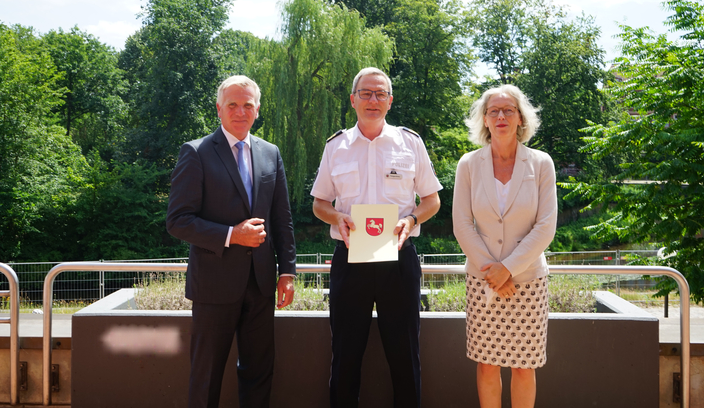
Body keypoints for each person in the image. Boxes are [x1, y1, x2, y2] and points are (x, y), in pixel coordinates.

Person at [311, 67, 443, 408]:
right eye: (366, 93)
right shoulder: (336, 147)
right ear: (353, 99)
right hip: (350, 259)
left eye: (380, 94)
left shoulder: (410, 143)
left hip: (398, 259)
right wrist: (336, 217)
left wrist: (411, 220)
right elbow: (319, 204)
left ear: (390, 101)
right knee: (345, 355)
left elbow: (432, 200)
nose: (373, 100)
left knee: (404, 356)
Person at [166, 75, 296, 408]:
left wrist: (288, 272)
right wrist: (231, 236)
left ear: (257, 108)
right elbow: (178, 221)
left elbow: (282, 218)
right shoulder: (196, 153)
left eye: (248, 105)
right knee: (206, 375)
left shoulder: (270, 153)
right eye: (233, 105)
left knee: (259, 373)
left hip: (262, 284)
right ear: (219, 109)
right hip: (214, 287)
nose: (241, 112)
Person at [452, 84, 557, 408]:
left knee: (524, 367)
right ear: (484, 119)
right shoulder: (468, 165)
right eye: (494, 111)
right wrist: (492, 272)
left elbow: (545, 226)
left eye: (508, 110)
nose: (501, 116)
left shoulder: (541, 163)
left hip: (527, 281)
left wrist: (508, 269)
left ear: (520, 118)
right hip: (483, 281)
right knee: (487, 364)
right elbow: (462, 224)